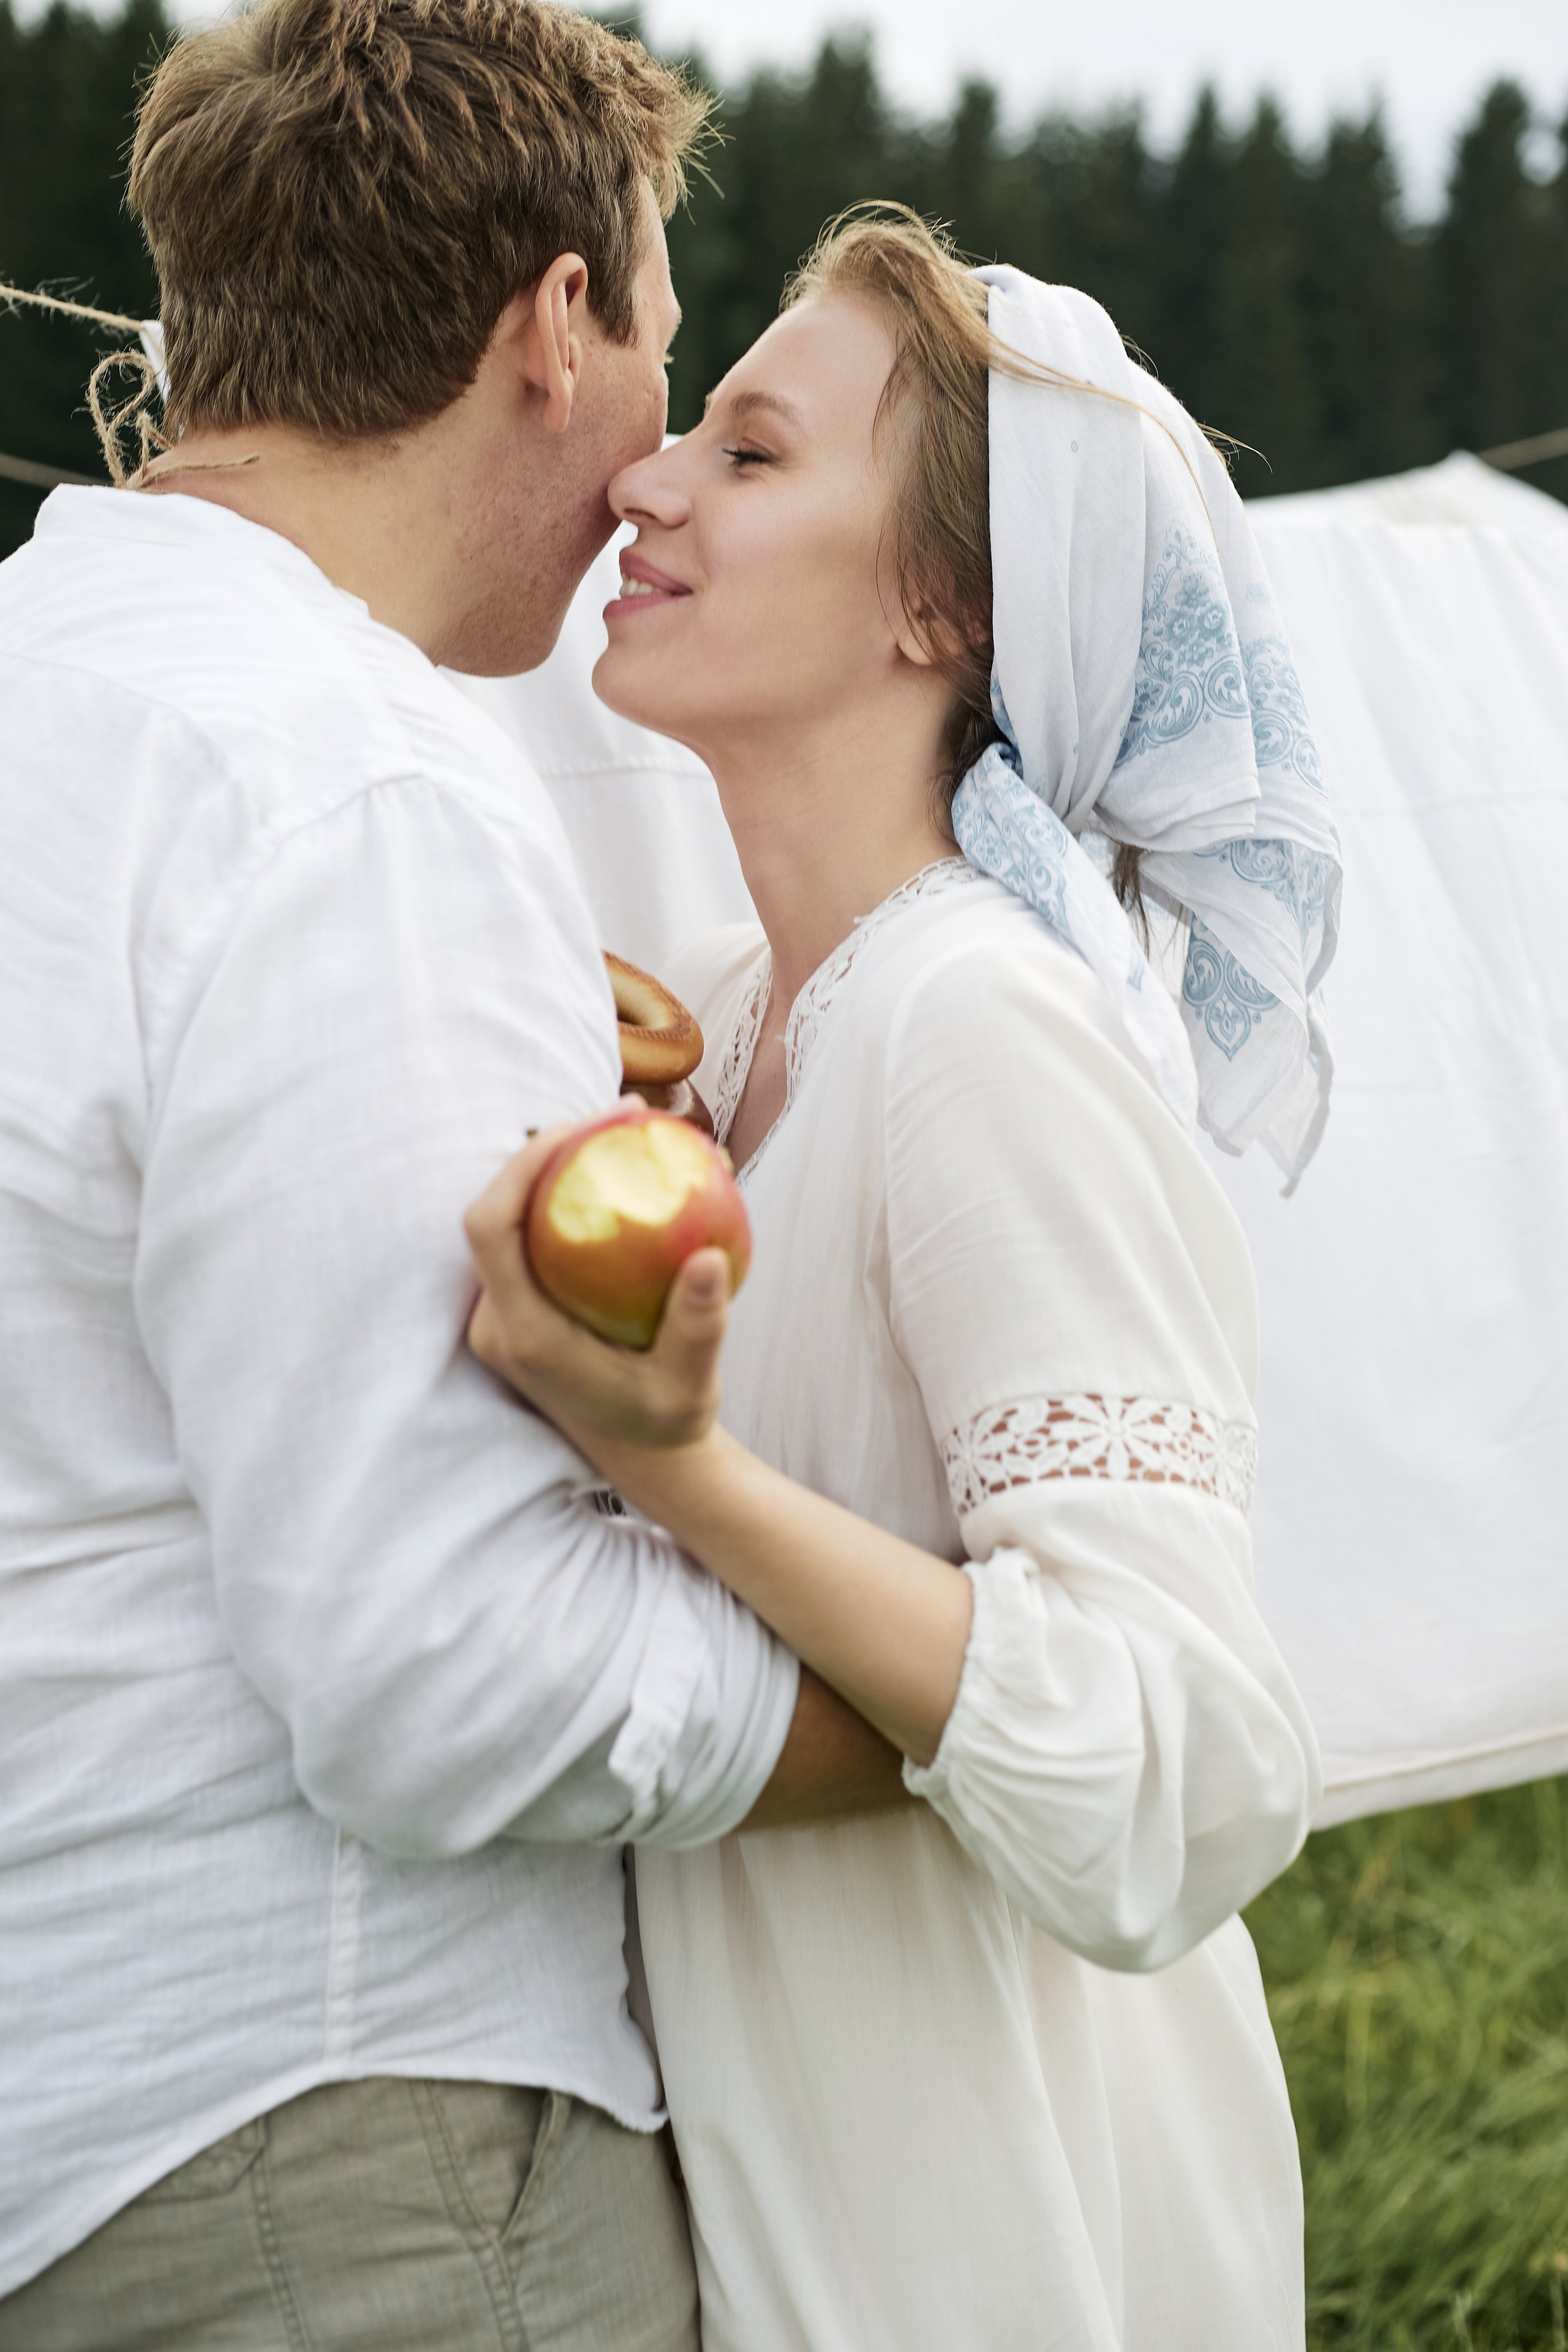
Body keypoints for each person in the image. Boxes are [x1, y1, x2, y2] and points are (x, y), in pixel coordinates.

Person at [0, 9, 906, 2346]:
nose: (654, 464)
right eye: (666, 350)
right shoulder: (342, 783)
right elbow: (438, 1676)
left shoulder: (49, 692)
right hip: (327, 2155)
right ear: (554, 324)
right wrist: (936, 1731)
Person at [463, 209, 1341, 2350]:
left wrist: (673, 1468)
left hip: (1008, 2231)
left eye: (752, 457)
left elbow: (1186, 1762)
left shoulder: (981, 1026)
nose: (647, 482)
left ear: (941, 602)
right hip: (805, 2188)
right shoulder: (749, 1015)